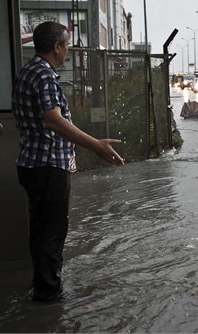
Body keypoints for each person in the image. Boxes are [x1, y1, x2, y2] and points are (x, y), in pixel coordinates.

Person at [12, 21, 124, 302]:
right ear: (56, 47)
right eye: (66, 46)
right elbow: (54, 121)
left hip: (33, 163)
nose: (68, 51)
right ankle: (49, 295)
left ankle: (43, 285)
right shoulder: (45, 76)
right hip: (47, 165)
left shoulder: (28, 71)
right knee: (51, 231)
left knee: (41, 229)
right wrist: (96, 145)